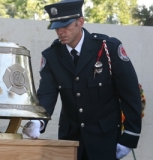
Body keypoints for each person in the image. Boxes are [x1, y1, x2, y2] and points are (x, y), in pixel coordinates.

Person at [22, 0, 142, 160]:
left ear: (80, 22)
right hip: (71, 139)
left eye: (65, 26)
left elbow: (130, 93)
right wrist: (37, 122)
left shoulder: (108, 48)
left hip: (104, 139)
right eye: (56, 27)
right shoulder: (51, 56)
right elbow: (46, 93)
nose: (60, 32)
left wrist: (130, 136)